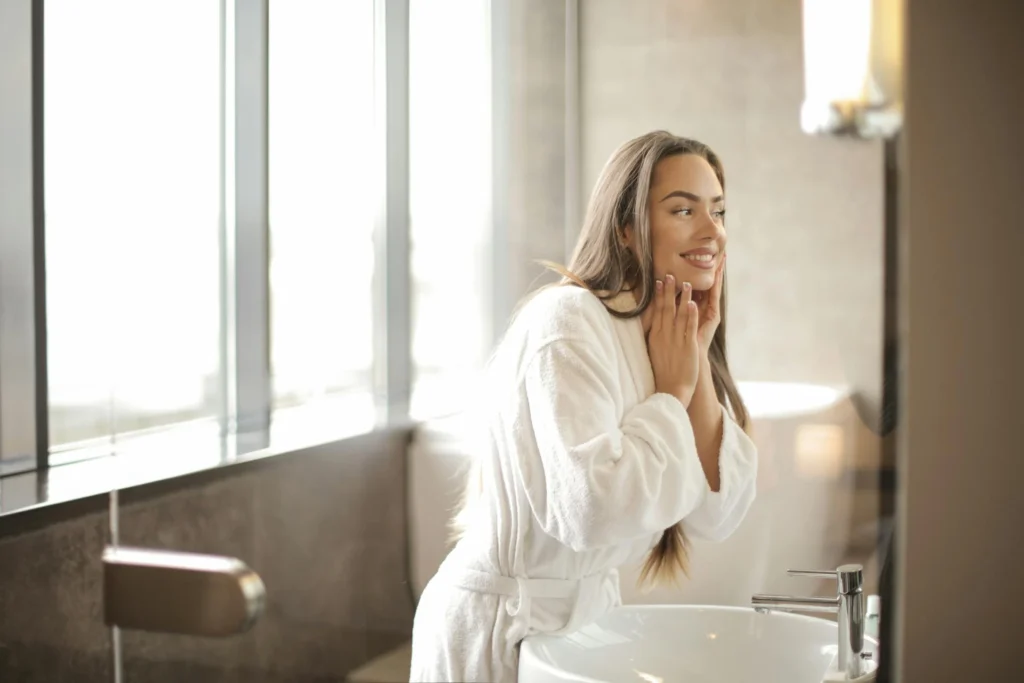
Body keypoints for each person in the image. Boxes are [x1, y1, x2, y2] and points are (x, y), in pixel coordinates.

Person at [409, 130, 759, 683]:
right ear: (626, 229)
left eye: (718, 210)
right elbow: (591, 511)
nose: (712, 230)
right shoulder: (567, 321)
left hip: (585, 626)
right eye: (683, 209)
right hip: (500, 629)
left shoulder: (667, 336)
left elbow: (720, 513)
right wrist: (669, 394)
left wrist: (693, 363)